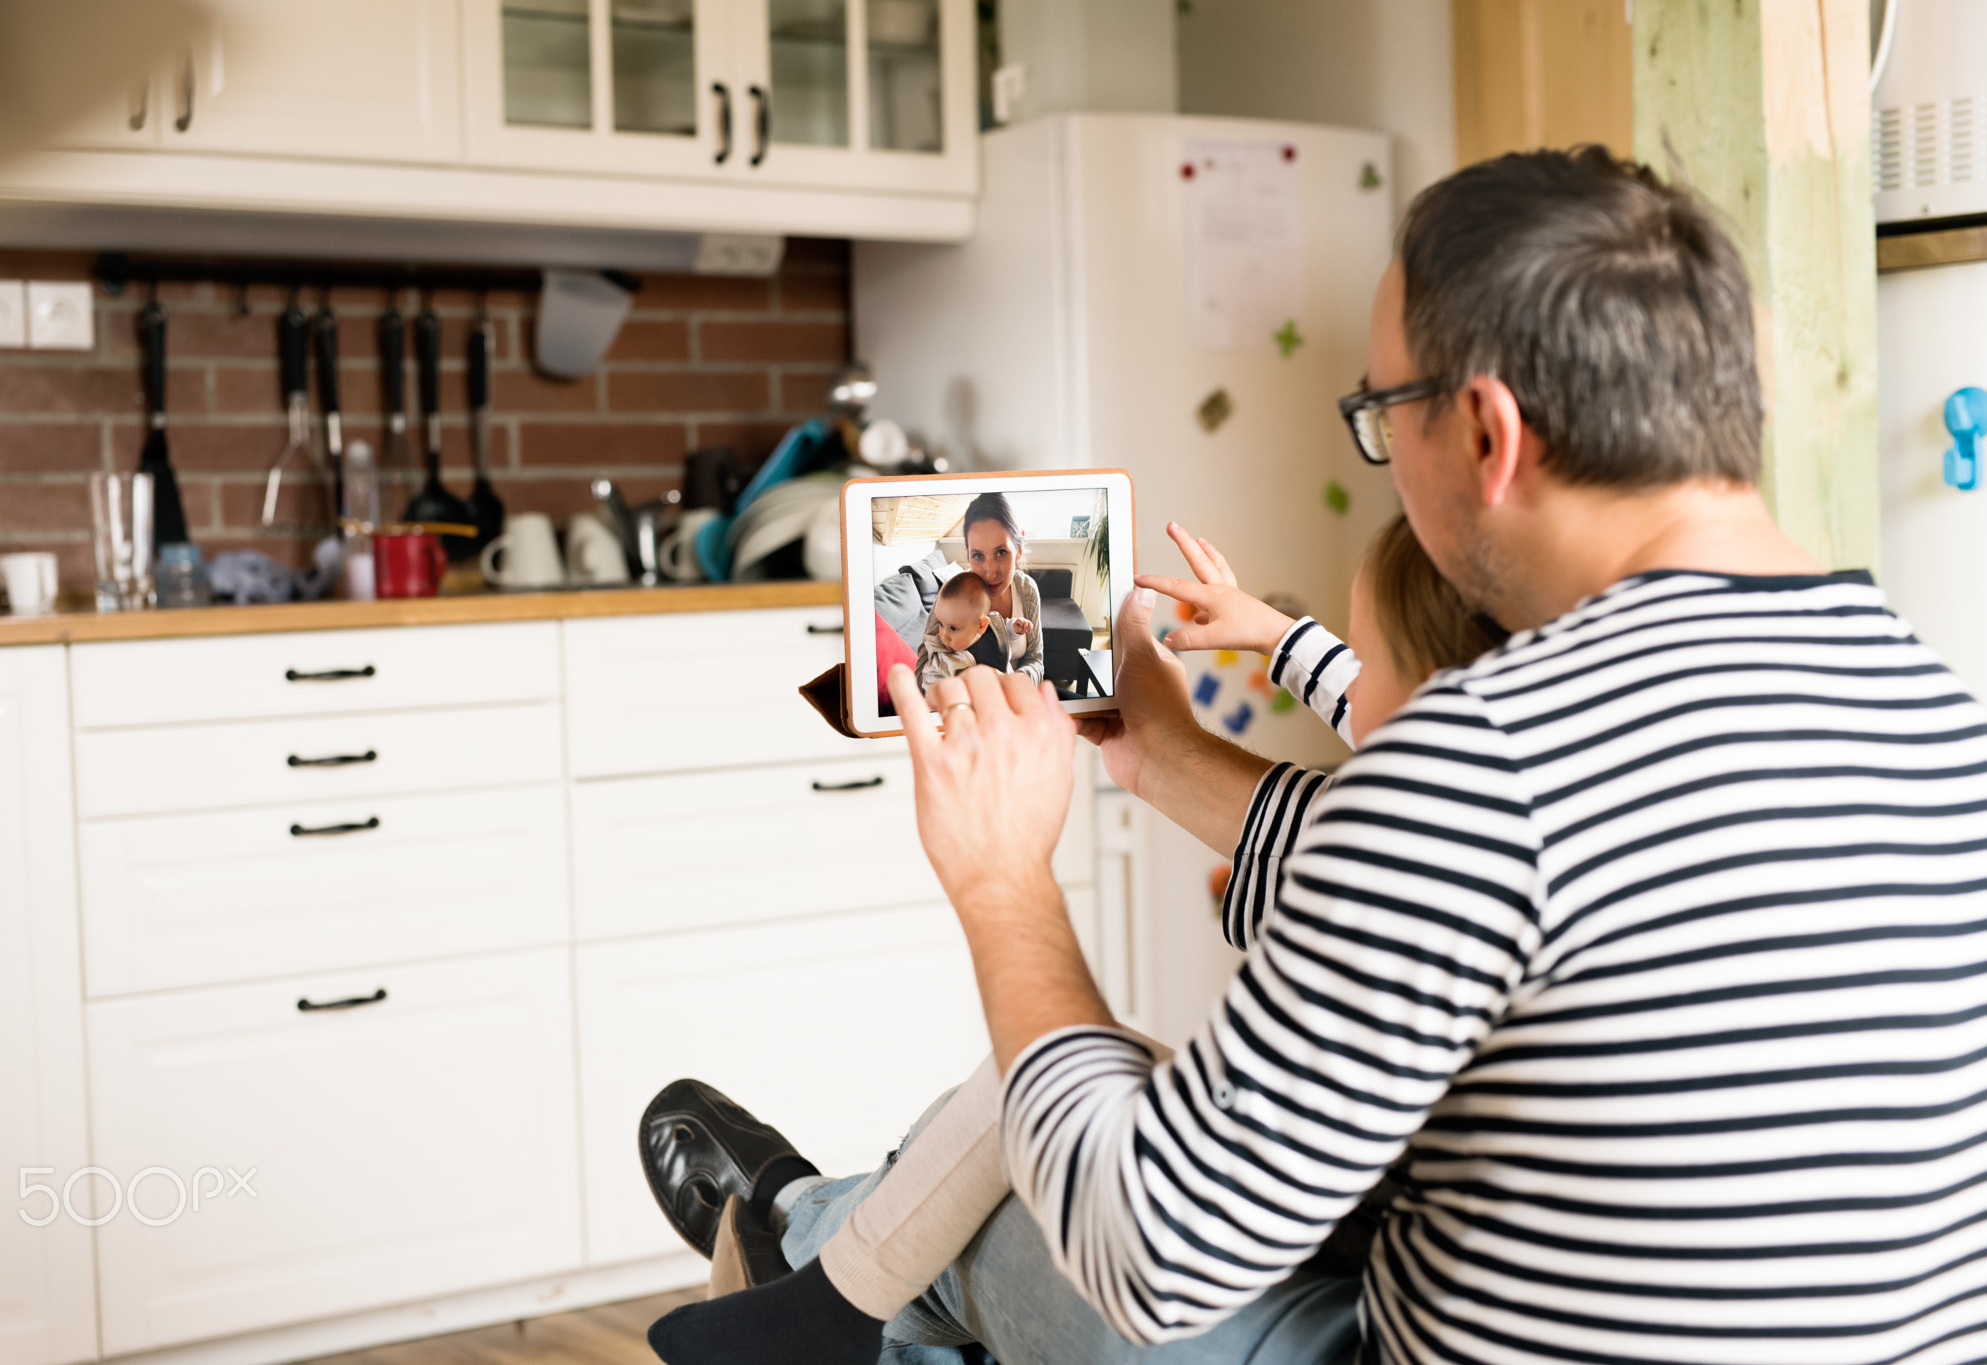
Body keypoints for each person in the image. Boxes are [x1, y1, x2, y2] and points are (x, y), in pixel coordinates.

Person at [658, 144, 1987, 1365]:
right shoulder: (1934, 710)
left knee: (1007, 1233)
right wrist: (1163, 753)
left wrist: (1006, 883)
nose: (1385, 451)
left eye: (1382, 409)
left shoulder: (1496, 755)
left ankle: (800, 1254)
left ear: (1484, 431)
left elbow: (1152, 1250)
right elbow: (1490, 906)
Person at [642, 514, 1504, 1365]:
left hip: (1363, 1324)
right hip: (1404, 1249)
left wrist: (1004, 874)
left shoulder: (1435, 829)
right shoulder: (1525, 769)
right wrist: (1274, 654)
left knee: (1012, 1174)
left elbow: (1158, 1252)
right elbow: (1403, 774)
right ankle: (816, 1271)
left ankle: (796, 1235)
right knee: (1030, 1096)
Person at [925, 493, 1042, 682]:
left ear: (1018, 551)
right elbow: (926, 662)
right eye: (978, 555)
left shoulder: (1027, 590)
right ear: (968, 554)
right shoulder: (953, 593)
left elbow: (1035, 659)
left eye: (1001, 552)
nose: (990, 572)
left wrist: (1011, 683)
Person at [916, 572, 998, 691]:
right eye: (940, 624)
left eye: (953, 628)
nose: (943, 636)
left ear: (981, 625)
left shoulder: (994, 640)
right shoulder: (941, 658)